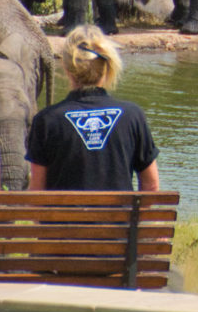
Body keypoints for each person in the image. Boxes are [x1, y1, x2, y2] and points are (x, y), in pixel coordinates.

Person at [26, 26, 161, 193]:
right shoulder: (133, 116)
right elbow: (151, 185)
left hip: (62, 220)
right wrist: (131, 218)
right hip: (119, 219)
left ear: (67, 69)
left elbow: (37, 193)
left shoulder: (46, 120)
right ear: (107, 67)